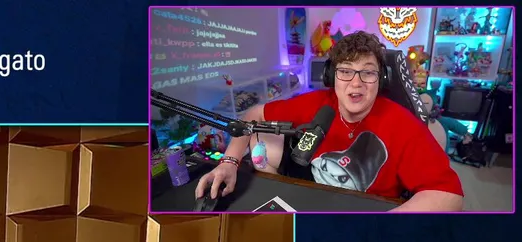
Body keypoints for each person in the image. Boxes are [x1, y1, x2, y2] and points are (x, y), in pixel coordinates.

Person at [196, 31, 464, 212]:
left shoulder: (402, 124)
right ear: (331, 77)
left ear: (380, 79)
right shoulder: (318, 103)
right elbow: (253, 115)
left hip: (367, 209)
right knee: (260, 139)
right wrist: (229, 162)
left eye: (368, 73)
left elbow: (449, 195)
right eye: (345, 71)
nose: (356, 84)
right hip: (314, 198)